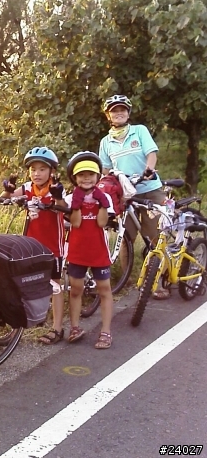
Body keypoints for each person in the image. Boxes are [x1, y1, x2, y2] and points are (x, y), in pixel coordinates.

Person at [98, 94, 169, 299]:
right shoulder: (106, 142)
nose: (118, 112)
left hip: (149, 189)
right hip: (125, 195)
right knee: (125, 236)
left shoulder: (139, 131)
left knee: (154, 236)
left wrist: (149, 169)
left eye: (122, 109)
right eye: (114, 110)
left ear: (128, 113)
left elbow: (151, 153)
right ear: (108, 115)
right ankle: (127, 281)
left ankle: (158, 282)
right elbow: (105, 169)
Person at [1, 146, 67, 345]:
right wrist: (8, 190)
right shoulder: (28, 188)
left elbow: (64, 208)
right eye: (33, 169)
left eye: (42, 169)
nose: (36, 173)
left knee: (55, 285)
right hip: (30, 245)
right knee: (25, 281)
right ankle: (28, 318)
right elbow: (5, 200)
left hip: (52, 246)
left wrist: (57, 198)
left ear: (51, 172)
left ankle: (57, 328)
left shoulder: (55, 188)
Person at [65, 151, 114, 349]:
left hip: (98, 251)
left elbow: (102, 223)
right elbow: (75, 223)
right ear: (75, 178)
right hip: (77, 251)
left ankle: (106, 331)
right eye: (81, 175)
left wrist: (100, 202)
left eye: (90, 174)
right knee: (75, 290)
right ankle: (75, 327)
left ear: (97, 177)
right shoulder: (71, 198)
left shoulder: (105, 198)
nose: (86, 178)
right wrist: (77, 203)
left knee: (104, 290)